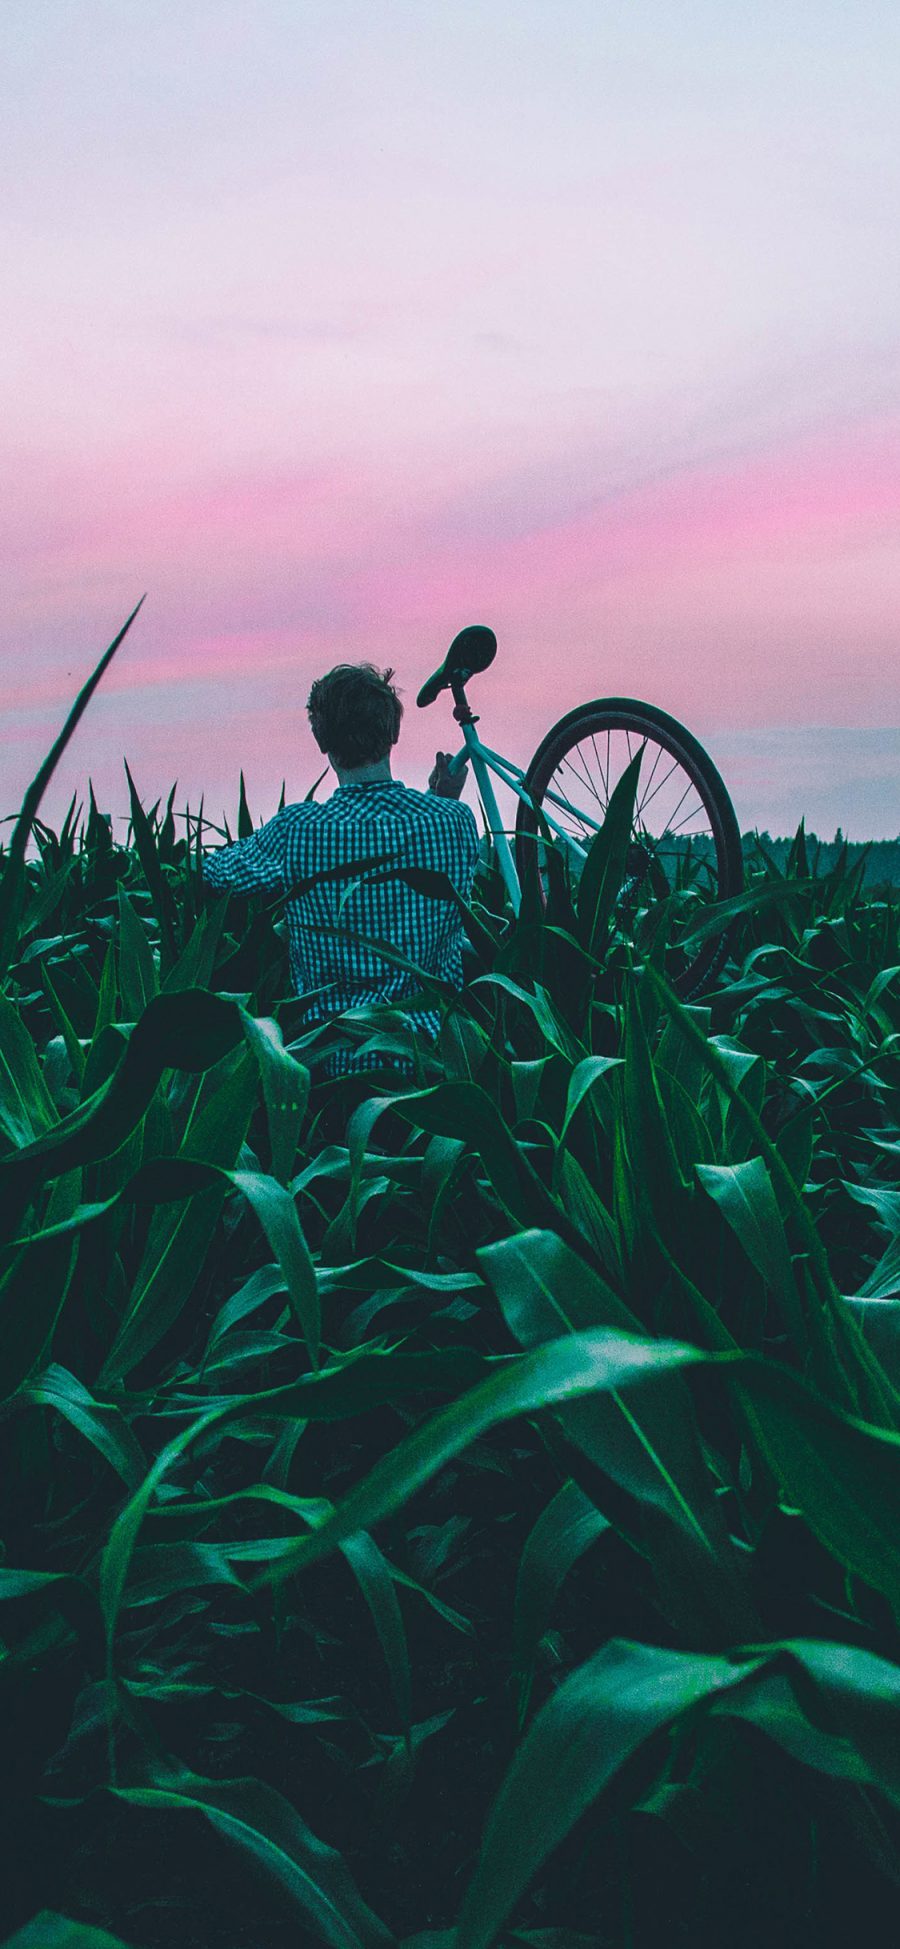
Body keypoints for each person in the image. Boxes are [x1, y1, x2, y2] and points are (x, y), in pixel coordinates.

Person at [202, 662, 480, 1104]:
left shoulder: (297, 830)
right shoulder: (453, 822)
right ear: (393, 733)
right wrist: (440, 801)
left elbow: (215, 875)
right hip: (431, 1073)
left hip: (330, 1076)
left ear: (321, 740)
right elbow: (413, 854)